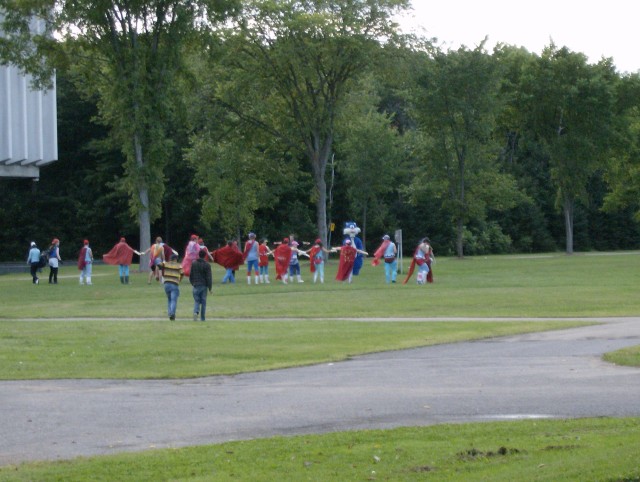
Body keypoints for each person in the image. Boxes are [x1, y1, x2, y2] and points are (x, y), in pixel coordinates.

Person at [189, 250, 212, 321]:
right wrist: (210, 287)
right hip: (203, 285)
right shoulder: (207, 265)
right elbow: (209, 277)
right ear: (205, 256)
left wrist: (192, 282)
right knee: (203, 302)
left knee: (197, 300)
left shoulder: (194, 263)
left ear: (198, 255)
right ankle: (202, 318)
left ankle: (196, 312)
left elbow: (191, 274)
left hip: (196, 284)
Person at [160, 253, 183, 320]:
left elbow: (159, 265)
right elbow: (182, 273)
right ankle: (172, 313)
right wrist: (179, 280)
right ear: (175, 259)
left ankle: (169, 313)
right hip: (174, 284)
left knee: (169, 299)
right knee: (173, 300)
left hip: (166, 284)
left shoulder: (166, 264)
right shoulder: (178, 265)